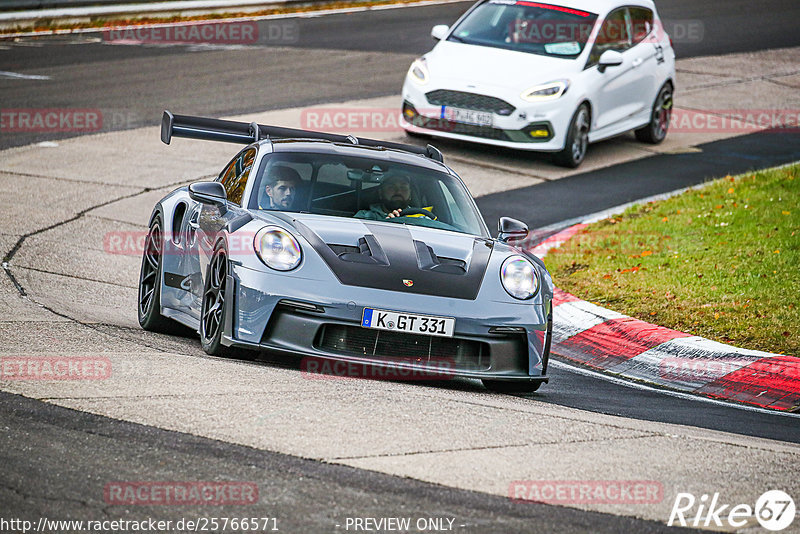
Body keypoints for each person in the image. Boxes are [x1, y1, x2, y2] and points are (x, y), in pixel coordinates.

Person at [354, 172, 431, 220]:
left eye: (403, 187)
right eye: (391, 187)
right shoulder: (364, 217)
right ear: (381, 193)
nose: (398, 191)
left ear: (410, 195)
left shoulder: (422, 219)